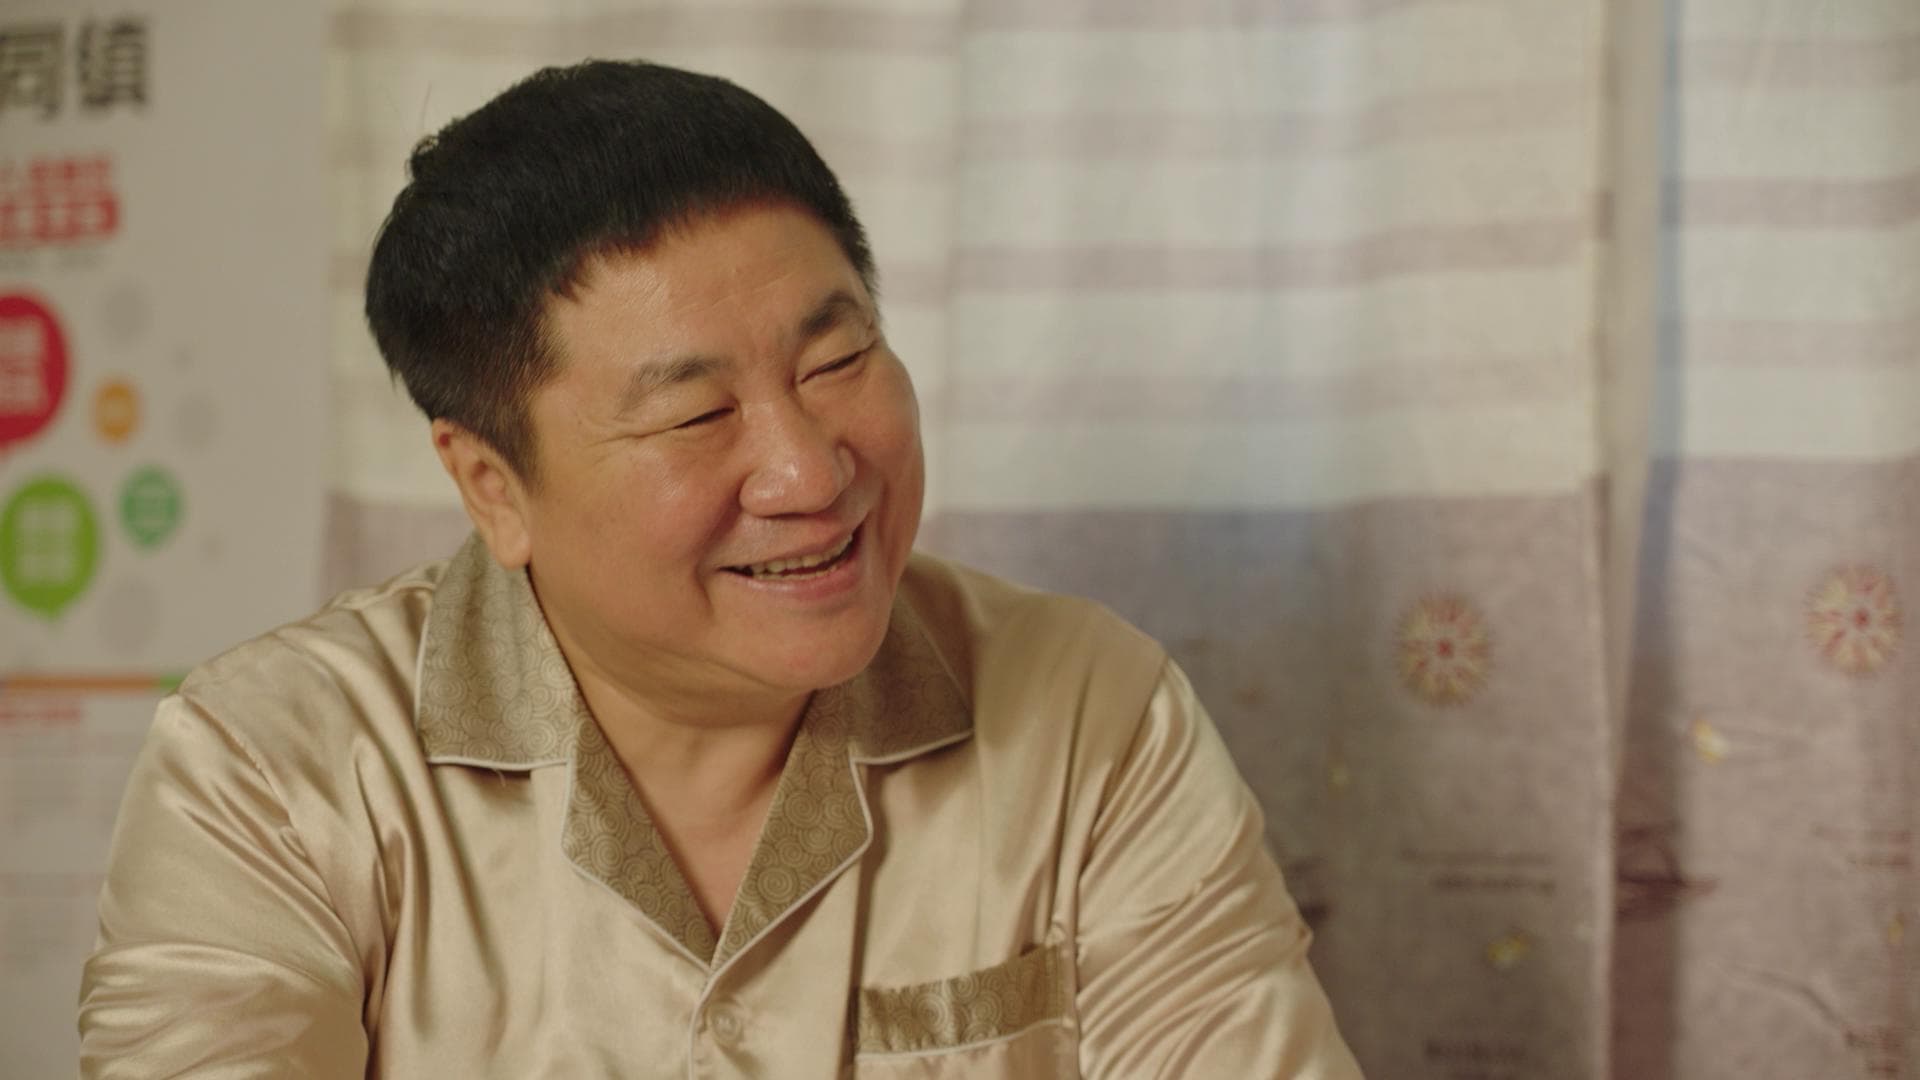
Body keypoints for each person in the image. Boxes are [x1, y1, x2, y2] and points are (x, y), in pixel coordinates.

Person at [77, 60, 1362, 1078]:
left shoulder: (1089, 711)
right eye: (695, 416)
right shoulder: (277, 767)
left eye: (837, 361)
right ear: (492, 486)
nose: (809, 472)